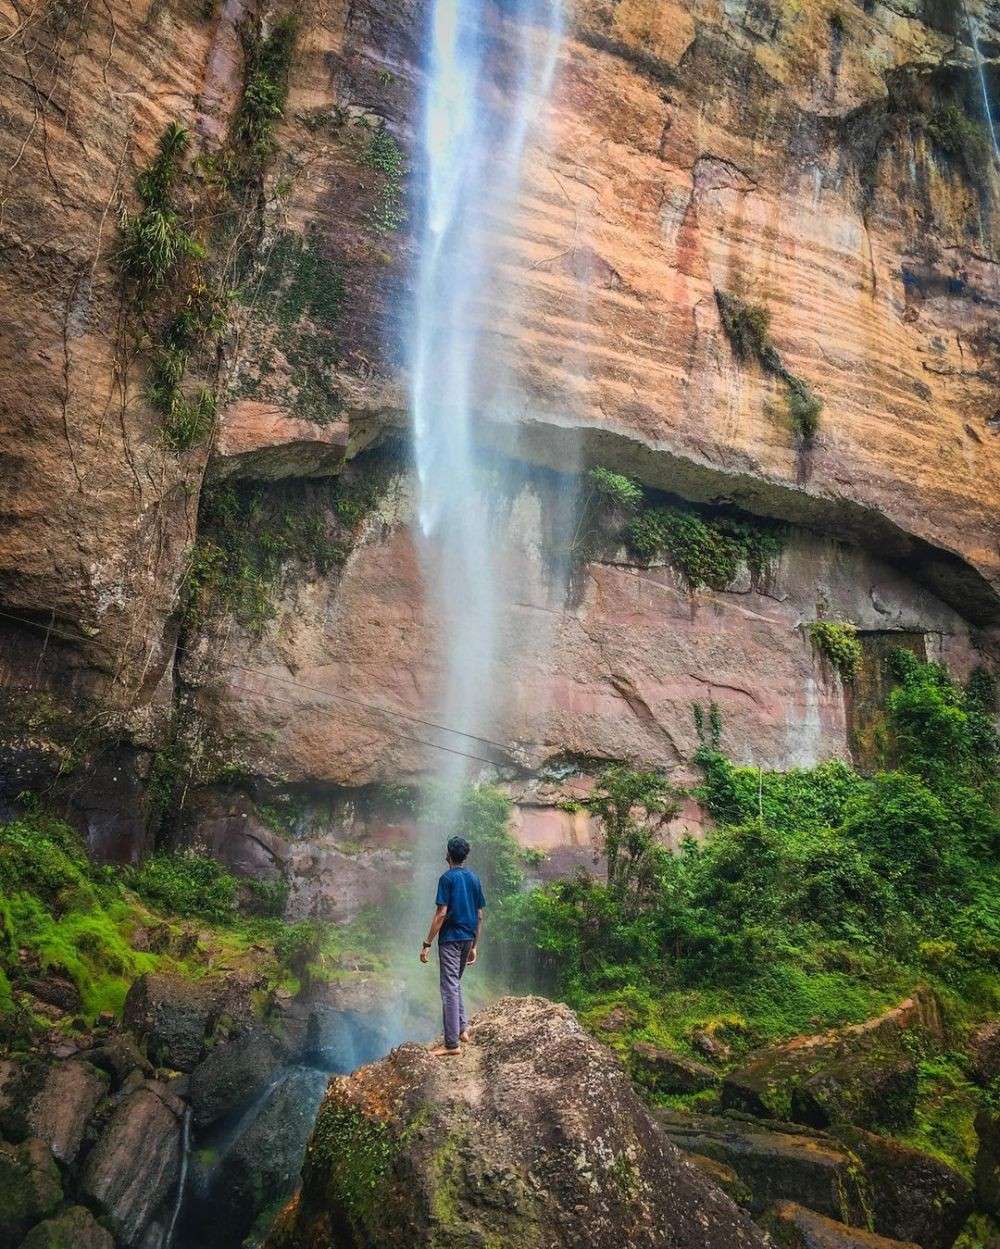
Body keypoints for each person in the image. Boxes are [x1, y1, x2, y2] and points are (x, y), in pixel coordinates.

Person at [419, 834, 486, 1057]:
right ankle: (463, 1029)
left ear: (448, 854)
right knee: (455, 983)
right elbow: (479, 915)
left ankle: (451, 1045)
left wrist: (427, 943)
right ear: (465, 856)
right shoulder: (474, 878)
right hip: (468, 938)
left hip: (450, 940)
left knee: (449, 988)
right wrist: (475, 945)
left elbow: (441, 914)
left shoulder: (447, 879)